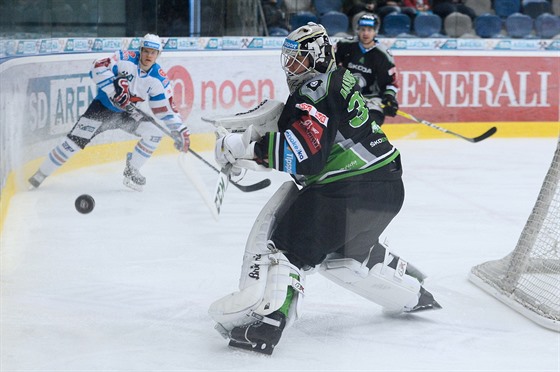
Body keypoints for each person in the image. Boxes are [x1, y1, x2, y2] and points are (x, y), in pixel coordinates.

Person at [209, 22, 441, 355]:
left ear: (317, 57)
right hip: (386, 187)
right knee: (347, 256)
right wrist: (250, 148)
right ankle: (414, 293)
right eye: (287, 60)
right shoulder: (336, 79)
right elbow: (314, 142)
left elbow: (306, 156)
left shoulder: (314, 88)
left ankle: (269, 323)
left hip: (347, 190)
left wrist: (247, 148)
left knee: (286, 247)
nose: (291, 68)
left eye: (298, 60)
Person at [28, 34, 190, 191]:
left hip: (128, 113)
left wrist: (179, 129)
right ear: (140, 50)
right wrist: (114, 91)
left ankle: (132, 169)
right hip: (102, 110)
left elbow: (164, 109)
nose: (148, 55)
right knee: (72, 145)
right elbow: (96, 67)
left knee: (154, 133)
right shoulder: (125, 58)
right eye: (146, 51)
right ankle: (41, 174)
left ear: (158, 55)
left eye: (153, 52)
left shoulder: (159, 80)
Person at [334, 13, 399, 126]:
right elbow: (330, 67)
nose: (365, 33)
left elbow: (390, 83)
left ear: (375, 31)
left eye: (370, 30)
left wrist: (390, 99)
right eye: (363, 29)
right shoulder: (344, 45)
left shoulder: (383, 55)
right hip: (344, 96)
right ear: (357, 30)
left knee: (372, 124)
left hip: (370, 99)